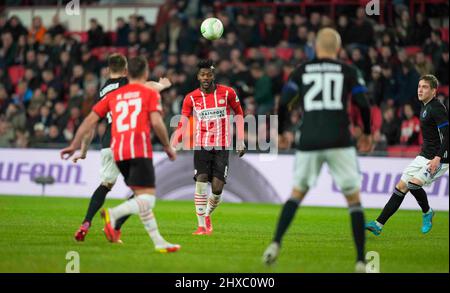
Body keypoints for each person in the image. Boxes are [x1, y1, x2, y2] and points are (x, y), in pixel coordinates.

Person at [262, 28, 372, 272]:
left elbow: (286, 102)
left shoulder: (301, 71)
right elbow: (363, 103)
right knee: (353, 200)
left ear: (315, 47)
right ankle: (361, 261)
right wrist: (367, 132)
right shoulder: (348, 71)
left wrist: (282, 131)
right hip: (340, 139)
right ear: (338, 49)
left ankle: (275, 244)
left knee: (296, 193)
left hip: (309, 139)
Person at [61, 56, 180, 253]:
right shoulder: (148, 92)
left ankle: (158, 241)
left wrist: (75, 145)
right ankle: (114, 216)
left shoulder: (110, 95)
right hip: (138, 148)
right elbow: (157, 122)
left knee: (137, 193)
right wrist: (167, 146)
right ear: (144, 74)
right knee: (146, 198)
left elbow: (89, 121)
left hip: (116, 148)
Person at [366, 75, 448, 235]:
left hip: (440, 158)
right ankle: (378, 224)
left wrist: (438, 158)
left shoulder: (437, 107)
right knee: (401, 186)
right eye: (419, 86)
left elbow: (447, 135)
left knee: (413, 184)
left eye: (425, 87)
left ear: (433, 91)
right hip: (424, 155)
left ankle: (427, 212)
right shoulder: (424, 107)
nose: (420, 90)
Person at [172, 59, 245, 235]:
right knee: (201, 181)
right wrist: (174, 143)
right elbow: (183, 121)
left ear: (213, 75)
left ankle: (206, 215)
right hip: (202, 145)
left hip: (222, 146)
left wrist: (241, 139)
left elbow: (239, 113)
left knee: (217, 189)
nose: (206, 77)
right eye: (202, 75)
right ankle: (201, 226)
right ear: (198, 77)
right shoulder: (191, 98)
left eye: (209, 74)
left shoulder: (227, 93)